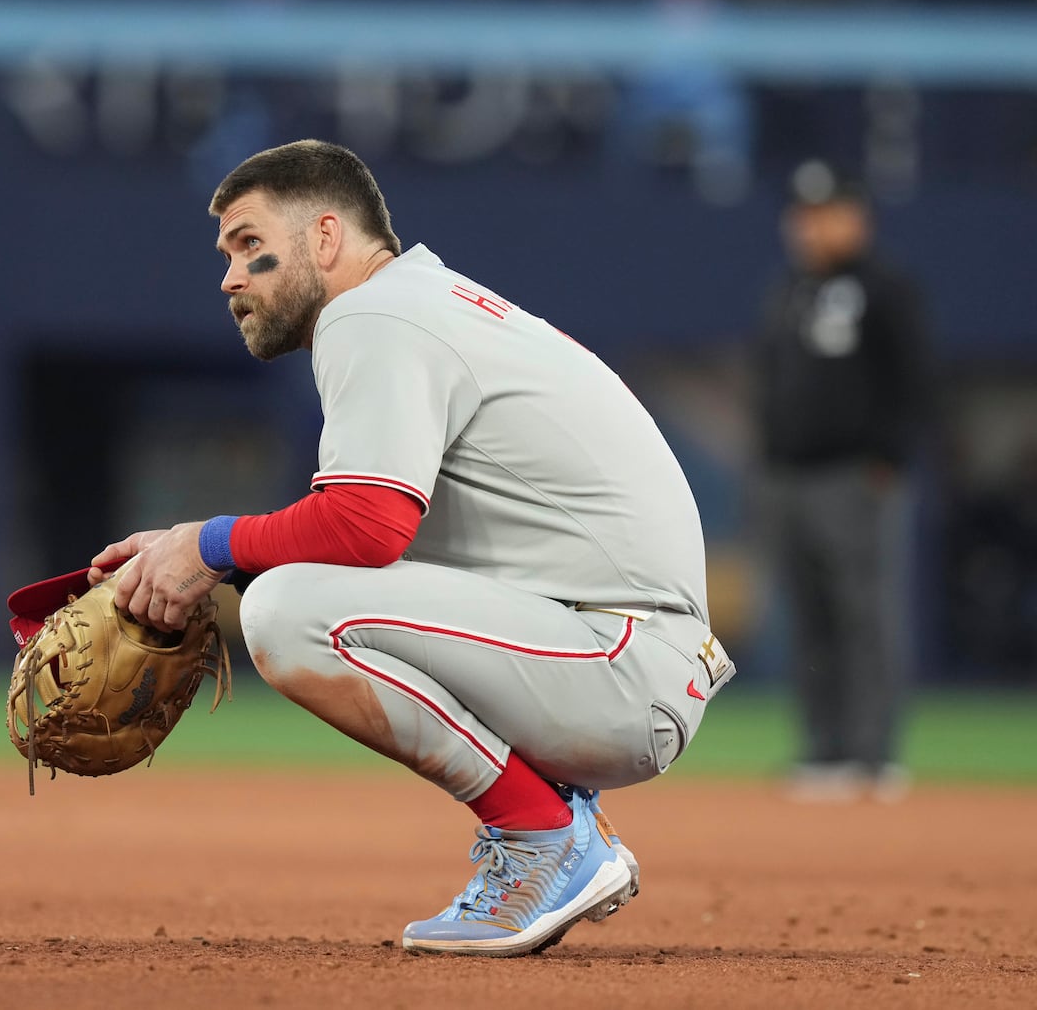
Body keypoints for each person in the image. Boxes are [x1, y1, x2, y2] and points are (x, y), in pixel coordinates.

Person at [88, 140, 734, 956]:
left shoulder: (374, 313)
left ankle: (545, 834)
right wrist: (190, 547)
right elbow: (373, 530)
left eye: (252, 245)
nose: (230, 276)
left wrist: (208, 545)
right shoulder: (417, 303)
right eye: (226, 255)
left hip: (620, 662)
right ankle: (555, 812)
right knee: (297, 582)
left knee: (287, 610)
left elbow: (364, 527)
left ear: (327, 238)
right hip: (619, 650)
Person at [753, 159, 931, 803]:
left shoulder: (884, 288)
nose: (810, 228)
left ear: (856, 218)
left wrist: (888, 458)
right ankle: (825, 751)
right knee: (809, 618)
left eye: (824, 215)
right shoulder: (793, 289)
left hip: (855, 475)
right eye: (801, 215)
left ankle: (873, 755)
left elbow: (914, 379)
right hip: (791, 478)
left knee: (865, 615)